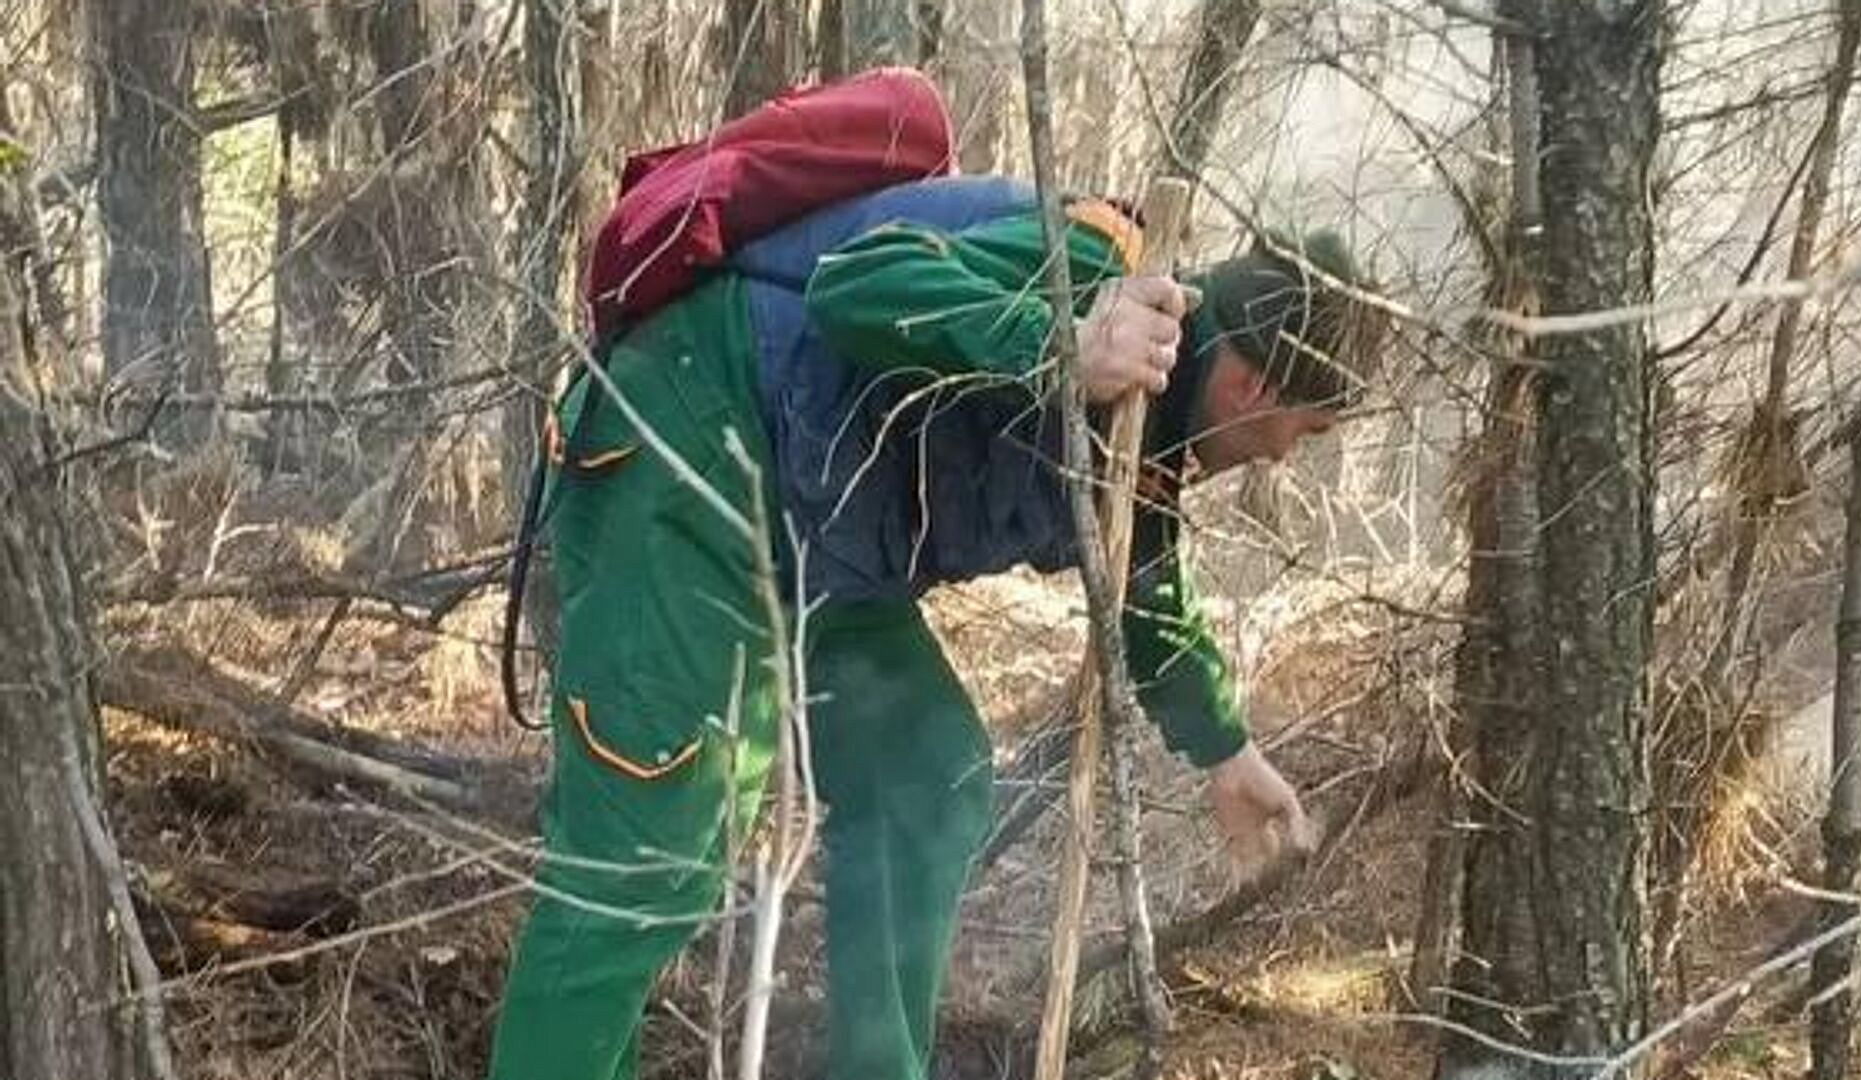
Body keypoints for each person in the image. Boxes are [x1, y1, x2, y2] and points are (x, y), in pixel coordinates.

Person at [488, 173, 1373, 1080]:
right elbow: (858, 285)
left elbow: (1144, 584)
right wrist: (1059, 344)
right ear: (1250, 380)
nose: (1284, 455)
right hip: (692, 452)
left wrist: (1224, 750)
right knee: (650, 857)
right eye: (1304, 430)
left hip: (816, 552)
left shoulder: (1150, 426)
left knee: (927, 771)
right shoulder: (1090, 263)